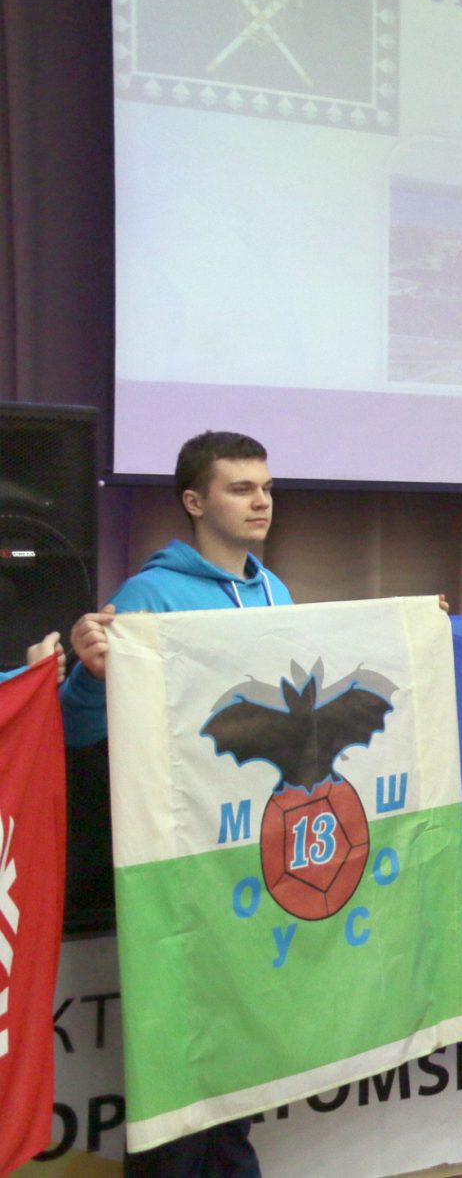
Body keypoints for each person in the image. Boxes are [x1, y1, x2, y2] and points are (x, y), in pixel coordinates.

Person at [64, 431, 292, 1178]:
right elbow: (80, 730)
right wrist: (88, 676)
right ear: (194, 501)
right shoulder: (149, 596)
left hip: (254, 851)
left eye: (265, 487)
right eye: (240, 488)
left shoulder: (276, 591)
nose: (260, 501)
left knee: (241, 1049)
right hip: (177, 860)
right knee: (179, 1058)